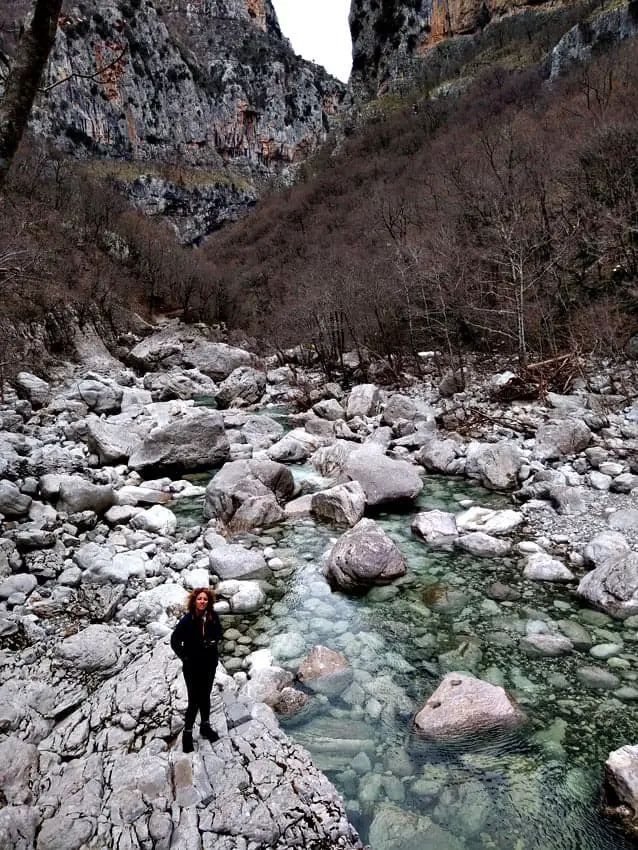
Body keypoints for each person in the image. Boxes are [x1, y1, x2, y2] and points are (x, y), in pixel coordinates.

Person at [171, 586, 223, 753]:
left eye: (205, 599)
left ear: (209, 602)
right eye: (199, 599)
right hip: (192, 666)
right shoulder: (187, 620)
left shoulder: (213, 617)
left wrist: (213, 641)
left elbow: (219, 633)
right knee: (194, 700)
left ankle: (205, 727)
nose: (202, 601)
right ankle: (187, 734)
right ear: (194, 601)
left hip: (209, 664)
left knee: (205, 696)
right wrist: (185, 657)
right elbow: (174, 641)